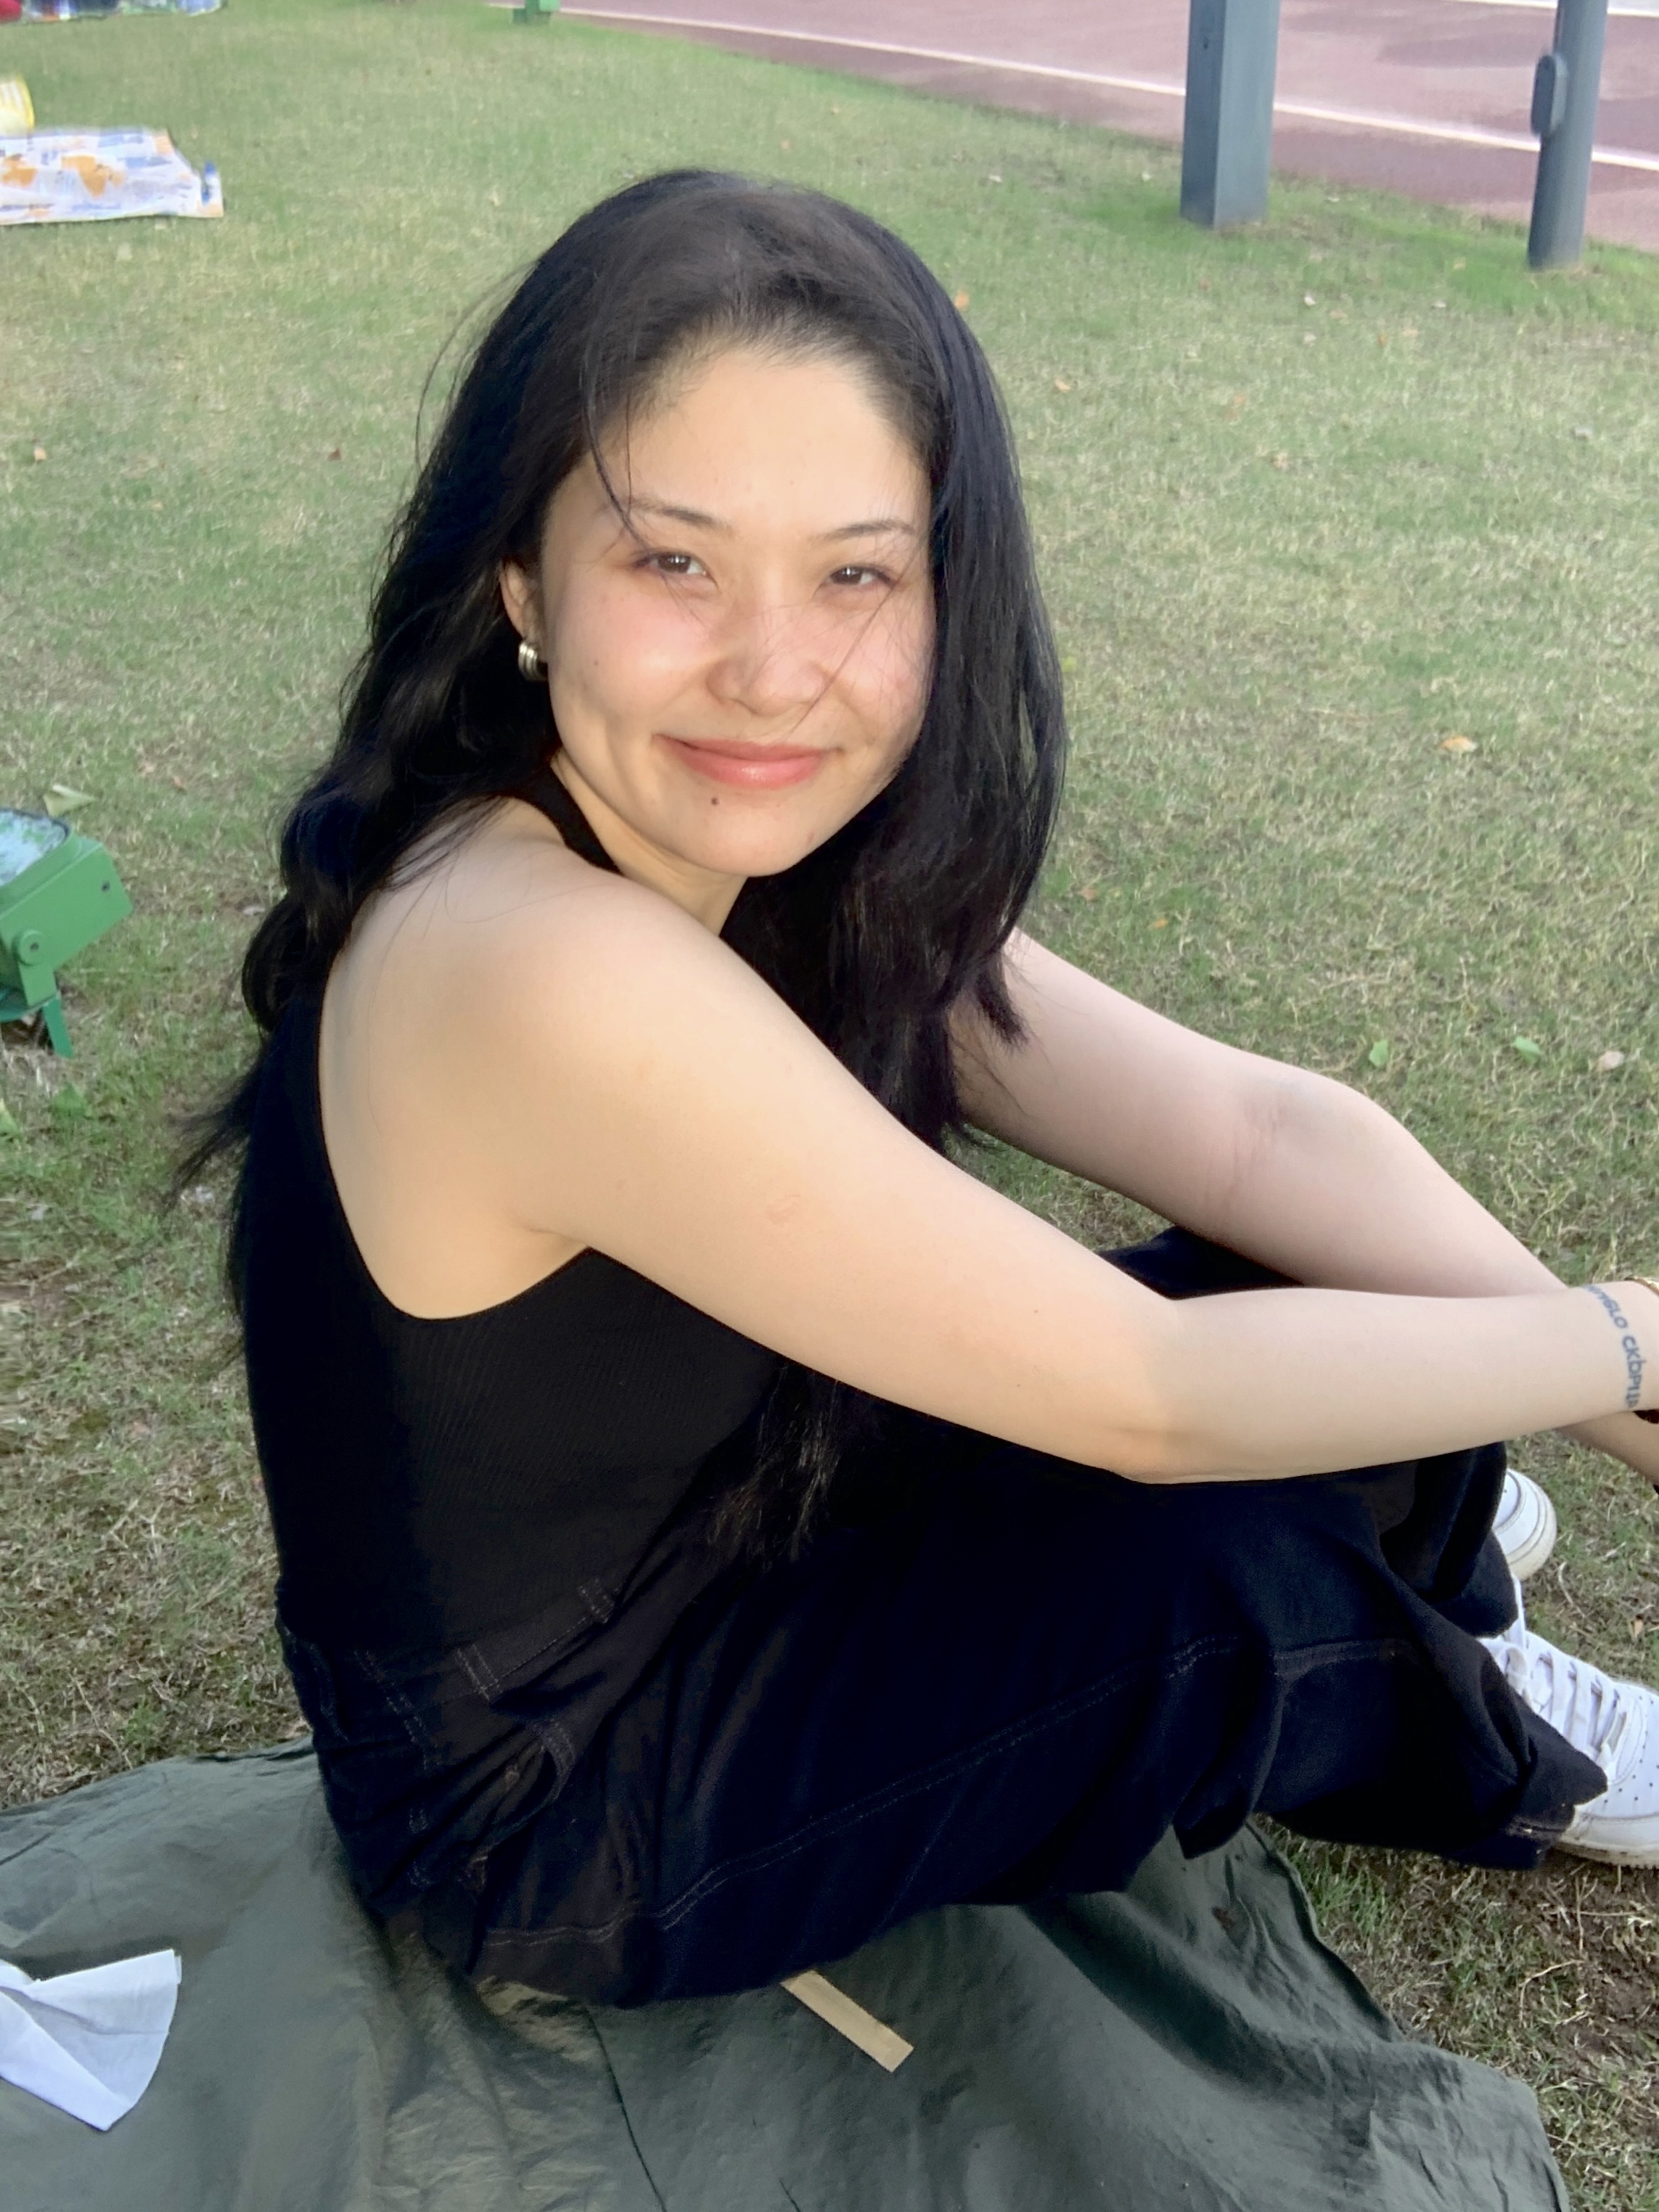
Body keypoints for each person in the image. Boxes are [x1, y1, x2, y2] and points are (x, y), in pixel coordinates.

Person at [191, 171, 1659, 2010]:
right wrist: (1622, 1338)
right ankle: (1478, 1708)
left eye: (857, 574)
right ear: (523, 584)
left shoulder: (753, 849)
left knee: (1340, 1290)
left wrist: (1611, 1388)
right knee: (1229, 1569)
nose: (772, 671)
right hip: (557, 1791)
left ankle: (1433, 1567)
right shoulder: (531, 959)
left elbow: (1253, 1132)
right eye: (673, 562)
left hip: (753, 1514)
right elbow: (1154, 1398)